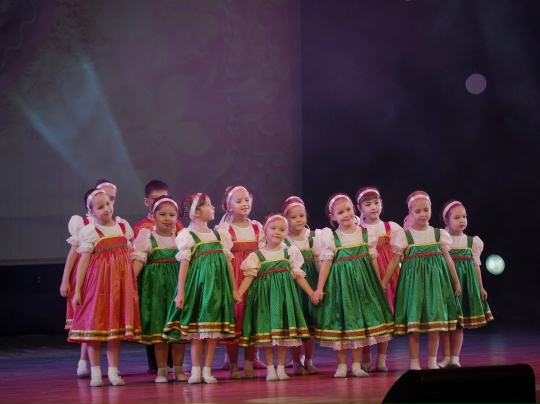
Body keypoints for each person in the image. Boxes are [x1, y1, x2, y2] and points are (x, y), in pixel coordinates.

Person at [313, 193, 394, 378]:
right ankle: (342, 365)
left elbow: (373, 260)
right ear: (333, 217)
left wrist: (377, 283)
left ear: (354, 210)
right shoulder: (331, 237)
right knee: (341, 325)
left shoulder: (365, 233)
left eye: (348, 210)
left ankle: (357, 365)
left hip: (363, 287)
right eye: (340, 212)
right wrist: (320, 288)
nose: (346, 214)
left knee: (359, 323)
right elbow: (326, 264)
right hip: (341, 288)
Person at [68, 187, 141, 387]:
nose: (107, 209)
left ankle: (113, 372)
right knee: (95, 331)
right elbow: (83, 263)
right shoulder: (90, 231)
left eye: (108, 204)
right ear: (91, 212)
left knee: (114, 332)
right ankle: (95, 373)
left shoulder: (123, 227)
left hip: (118, 287)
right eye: (100, 207)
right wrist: (77, 290)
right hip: (98, 286)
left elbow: (128, 256)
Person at [381, 190, 462, 370]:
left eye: (426, 210)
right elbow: (394, 261)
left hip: (436, 284)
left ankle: (432, 361)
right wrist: (384, 282)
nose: (422, 214)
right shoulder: (405, 236)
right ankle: (414, 362)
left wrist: (456, 281)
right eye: (417, 211)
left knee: (435, 324)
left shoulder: (438, 234)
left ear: (431, 209)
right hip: (413, 285)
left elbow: (448, 259)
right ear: (410, 213)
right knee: (414, 324)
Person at [162, 193, 238, 384]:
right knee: (198, 333)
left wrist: (234, 289)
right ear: (196, 212)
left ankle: (207, 371)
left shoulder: (219, 234)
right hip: (199, 289)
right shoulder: (188, 236)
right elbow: (184, 265)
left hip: (217, 289)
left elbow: (228, 263)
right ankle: (196, 371)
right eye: (209, 205)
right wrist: (181, 292)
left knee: (212, 333)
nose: (213, 208)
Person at [237, 214, 318, 382]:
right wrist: (238, 293)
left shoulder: (289, 253)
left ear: (286, 233)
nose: (277, 232)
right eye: (273, 228)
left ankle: (281, 368)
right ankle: (270, 369)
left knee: (283, 336)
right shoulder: (257, 255)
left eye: (282, 229)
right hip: (265, 301)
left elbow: (298, 276)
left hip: (283, 301)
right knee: (267, 337)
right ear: (265, 231)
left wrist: (311, 292)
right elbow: (249, 277)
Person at [59, 179, 119, 378]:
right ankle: (84, 362)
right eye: (103, 198)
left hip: (108, 277)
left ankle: (111, 367)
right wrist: (65, 280)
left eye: (111, 199)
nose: (108, 203)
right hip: (87, 277)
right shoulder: (83, 225)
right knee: (90, 320)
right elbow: (74, 255)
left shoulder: (118, 225)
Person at [132, 196, 189, 383]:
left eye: (172, 215)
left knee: (178, 331)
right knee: (159, 331)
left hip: (177, 291)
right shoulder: (147, 238)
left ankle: (179, 370)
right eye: (162, 214)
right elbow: (137, 265)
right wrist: (130, 285)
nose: (167, 218)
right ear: (153, 216)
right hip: (155, 291)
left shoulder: (182, 239)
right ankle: (162, 371)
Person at [214, 185, 265, 379]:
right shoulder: (225, 230)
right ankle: (234, 364)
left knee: (252, 318)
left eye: (247, 200)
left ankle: (250, 363)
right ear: (229, 207)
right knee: (235, 319)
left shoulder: (257, 227)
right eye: (239, 201)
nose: (244, 203)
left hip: (255, 278)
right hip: (235, 277)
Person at [437, 200, 494, 368]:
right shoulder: (442, 239)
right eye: (457, 217)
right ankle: (446, 357)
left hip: (465, 285)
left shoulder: (472, 242)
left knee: (459, 324)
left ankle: (455, 357)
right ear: (446, 220)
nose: (462, 220)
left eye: (464, 216)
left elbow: (476, 266)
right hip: (447, 284)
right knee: (446, 324)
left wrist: (480, 286)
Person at [355, 187, 403, 373]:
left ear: (381, 203)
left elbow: (400, 253)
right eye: (368, 204)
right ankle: (366, 357)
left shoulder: (391, 227)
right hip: (366, 275)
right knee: (367, 317)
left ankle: (381, 359)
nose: (373, 207)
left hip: (388, 276)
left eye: (376, 203)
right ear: (359, 208)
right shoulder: (358, 230)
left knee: (385, 316)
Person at [281, 196, 320, 375]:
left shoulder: (313, 237)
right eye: (293, 217)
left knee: (310, 324)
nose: (298, 220)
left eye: (301, 216)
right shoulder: (285, 240)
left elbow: (319, 263)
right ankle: (296, 361)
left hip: (311, 282)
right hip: (293, 285)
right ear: (286, 219)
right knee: (297, 324)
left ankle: (309, 360)